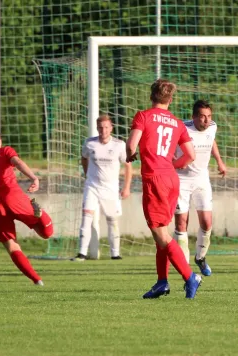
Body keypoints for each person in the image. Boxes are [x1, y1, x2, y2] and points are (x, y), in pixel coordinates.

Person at [126, 79, 202, 299]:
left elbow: (132, 145)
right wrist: (170, 165)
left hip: (155, 179)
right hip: (171, 179)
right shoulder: (178, 123)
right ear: (170, 99)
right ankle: (162, 282)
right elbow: (190, 156)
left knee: (160, 234)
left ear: (151, 96)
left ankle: (190, 277)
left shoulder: (143, 116)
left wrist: (131, 154)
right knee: (162, 233)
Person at [0, 127, 54, 285]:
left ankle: (37, 280)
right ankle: (39, 214)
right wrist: (34, 178)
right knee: (46, 233)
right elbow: (18, 162)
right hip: (13, 195)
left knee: (11, 245)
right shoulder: (5, 151)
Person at [173, 100, 227, 276]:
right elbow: (168, 146)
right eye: (202, 117)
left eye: (209, 116)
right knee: (181, 223)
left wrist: (219, 161)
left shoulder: (212, 127)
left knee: (207, 222)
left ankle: (200, 257)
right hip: (181, 179)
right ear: (194, 117)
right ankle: (186, 271)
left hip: (201, 178)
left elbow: (211, 142)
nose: (206, 120)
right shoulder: (181, 128)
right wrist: (172, 162)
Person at [74, 114, 132, 261]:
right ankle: (81, 253)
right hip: (92, 186)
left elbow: (128, 165)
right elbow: (84, 158)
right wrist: (87, 175)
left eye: (106, 127)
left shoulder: (119, 145)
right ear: (97, 128)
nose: (103, 130)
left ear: (111, 128)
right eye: (100, 127)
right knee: (86, 217)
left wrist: (126, 187)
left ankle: (115, 253)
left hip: (110, 188)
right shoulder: (89, 143)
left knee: (112, 220)